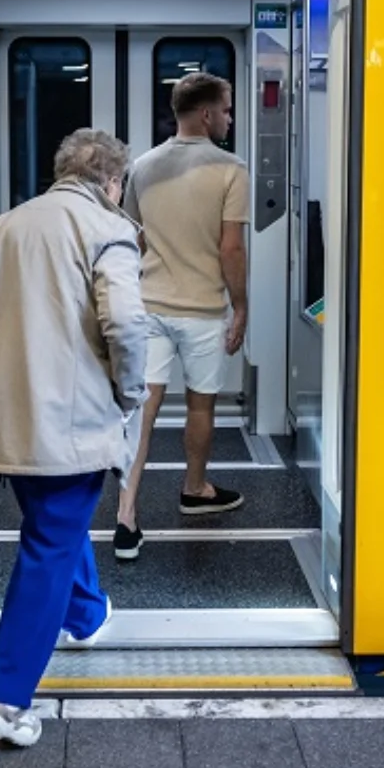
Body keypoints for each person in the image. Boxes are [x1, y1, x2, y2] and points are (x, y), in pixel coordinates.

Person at [0, 128, 149, 748]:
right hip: (71, 423)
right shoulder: (109, 230)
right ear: (112, 182)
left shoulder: (5, 226)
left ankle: (84, 614)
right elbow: (127, 326)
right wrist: (130, 394)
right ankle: (3, 698)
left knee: (54, 527)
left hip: (9, 417)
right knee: (50, 543)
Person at [113, 72, 250, 563]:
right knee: (200, 406)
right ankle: (195, 489)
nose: (230, 118)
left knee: (141, 411)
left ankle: (126, 515)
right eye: (228, 110)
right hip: (203, 311)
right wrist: (242, 307)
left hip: (149, 306)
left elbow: (136, 238)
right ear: (207, 113)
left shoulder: (144, 167)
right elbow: (231, 248)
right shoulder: (231, 169)